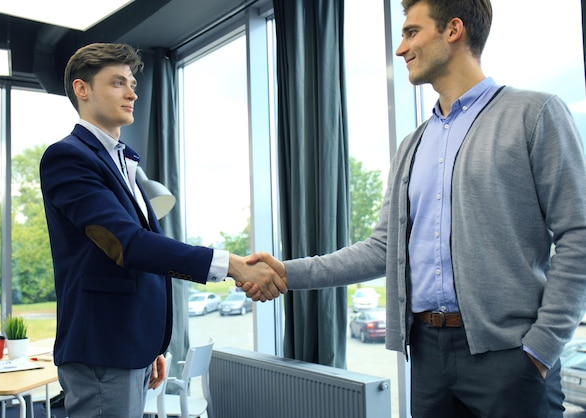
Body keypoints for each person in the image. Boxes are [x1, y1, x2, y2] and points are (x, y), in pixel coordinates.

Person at [240, 1, 586, 417]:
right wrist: (285, 273)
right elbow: (382, 249)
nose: (401, 49)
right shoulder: (412, 146)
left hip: (510, 357)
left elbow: (578, 233)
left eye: (411, 32)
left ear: (453, 30)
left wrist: (542, 346)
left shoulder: (535, 114)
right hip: (427, 356)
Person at [39, 42, 285, 417]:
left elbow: (137, 265)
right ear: (82, 89)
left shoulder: (124, 162)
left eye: (133, 83)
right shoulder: (68, 157)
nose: (132, 92)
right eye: (118, 82)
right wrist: (231, 264)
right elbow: (128, 246)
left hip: (129, 347)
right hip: (103, 350)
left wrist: (151, 344)